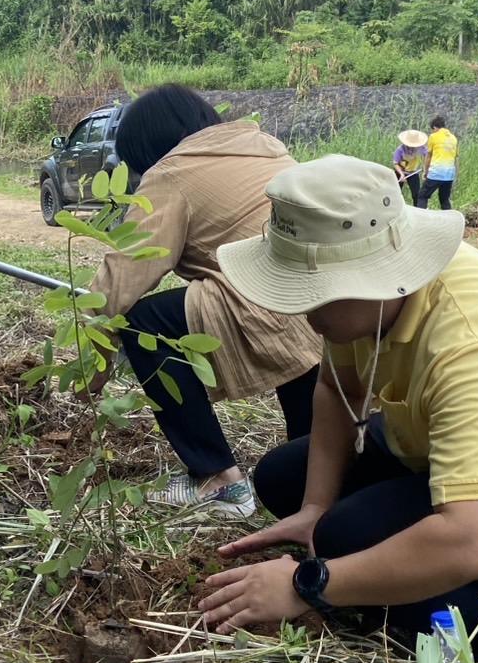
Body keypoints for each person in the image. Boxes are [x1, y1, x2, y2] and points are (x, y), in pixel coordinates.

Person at [197, 155, 478, 639]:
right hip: (427, 444)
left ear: (373, 276)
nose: (302, 310)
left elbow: (471, 541)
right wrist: (314, 506)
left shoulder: (475, 343)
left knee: (344, 540)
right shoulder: (365, 305)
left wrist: (306, 585)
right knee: (282, 480)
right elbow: (338, 389)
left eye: (312, 293)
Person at [92, 84, 321, 518]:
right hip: (327, 297)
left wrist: (93, 359)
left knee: (144, 323)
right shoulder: (263, 145)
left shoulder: (171, 173)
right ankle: (317, 492)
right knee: (305, 369)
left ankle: (219, 481)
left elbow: (125, 274)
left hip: (265, 301)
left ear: (147, 148)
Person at [417, 115, 457, 210]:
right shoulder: (453, 138)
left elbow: (428, 156)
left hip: (436, 173)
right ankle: (449, 221)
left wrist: (425, 172)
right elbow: (455, 158)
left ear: (435, 127)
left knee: (422, 196)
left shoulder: (433, 136)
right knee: (444, 200)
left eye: (432, 129)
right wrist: (455, 176)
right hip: (449, 175)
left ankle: (420, 218)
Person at [391, 130, 427, 206]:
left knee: (416, 194)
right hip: (400, 172)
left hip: (413, 173)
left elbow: (427, 157)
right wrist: (401, 174)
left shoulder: (421, 148)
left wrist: (425, 167)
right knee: (396, 192)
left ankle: (417, 210)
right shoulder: (400, 150)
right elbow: (395, 163)